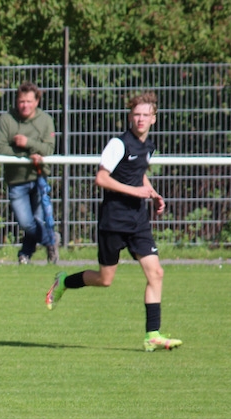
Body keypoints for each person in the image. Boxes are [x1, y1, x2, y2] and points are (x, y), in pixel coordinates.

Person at [46, 92, 182, 352]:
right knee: (105, 279)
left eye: (145, 115)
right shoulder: (118, 145)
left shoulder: (148, 146)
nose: (140, 119)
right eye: (136, 114)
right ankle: (64, 282)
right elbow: (101, 178)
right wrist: (136, 191)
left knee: (156, 273)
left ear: (154, 118)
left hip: (138, 221)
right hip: (114, 220)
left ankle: (152, 335)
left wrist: (152, 194)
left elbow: (138, 175)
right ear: (130, 116)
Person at [0, 81, 59, 265]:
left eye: (29, 101)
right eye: (22, 101)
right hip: (16, 180)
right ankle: (51, 240)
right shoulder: (7, 119)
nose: (25, 105)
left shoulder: (45, 120)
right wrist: (25, 155)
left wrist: (28, 143)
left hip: (39, 177)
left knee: (38, 220)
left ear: (36, 101)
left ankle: (25, 254)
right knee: (26, 222)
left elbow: (48, 149)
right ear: (17, 101)